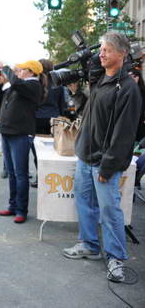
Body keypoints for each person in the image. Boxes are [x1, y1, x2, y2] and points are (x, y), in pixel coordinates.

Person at [62, 32, 142, 283]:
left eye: (107, 49)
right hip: (85, 156)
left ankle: (116, 258)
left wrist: (107, 166)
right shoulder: (99, 80)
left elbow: (123, 135)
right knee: (85, 203)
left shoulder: (128, 89)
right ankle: (89, 244)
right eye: (102, 49)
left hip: (105, 163)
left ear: (122, 54)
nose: (102, 53)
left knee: (109, 211)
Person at [0, 60, 45, 224]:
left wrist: (7, 68)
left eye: (20, 70)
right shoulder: (19, 85)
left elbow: (15, 82)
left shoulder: (33, 85)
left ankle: (21, 209)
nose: (17, 72)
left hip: (21, 133)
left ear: (31, 72)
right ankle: (13, 206)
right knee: (11, 173)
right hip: (8, 131)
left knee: (20, 174)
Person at [29, 59, 67, 187]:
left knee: (37, 151)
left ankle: (40, 178)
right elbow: (63, 105)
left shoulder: (36, 83)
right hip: (54, 119)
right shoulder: (58, 84)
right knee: (53, 150)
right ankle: (52, 178)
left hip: (37, 119)